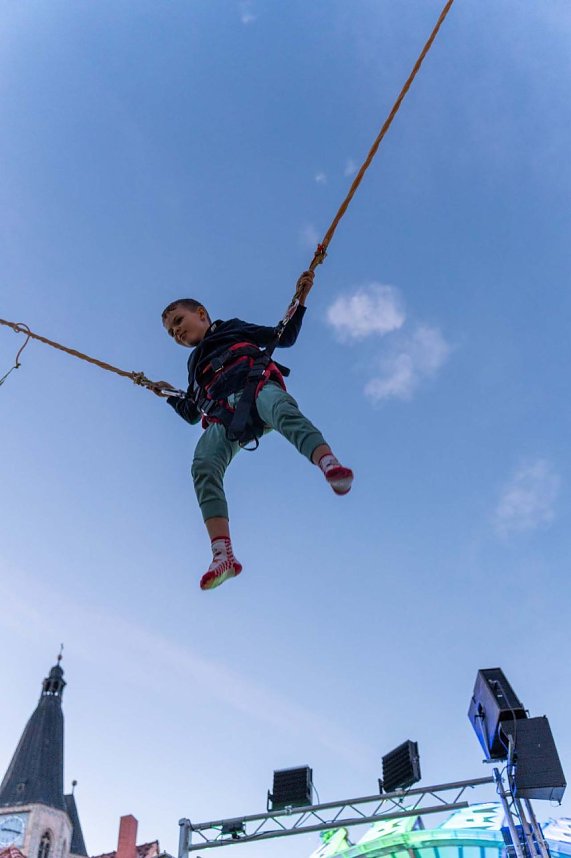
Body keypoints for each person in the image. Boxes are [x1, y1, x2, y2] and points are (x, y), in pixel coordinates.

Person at [157, 270, 353, 591]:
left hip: (254, 388)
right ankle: (223, 555)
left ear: (202, 314)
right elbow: (193, 411)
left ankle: (328, 464)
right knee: (203, 465)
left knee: (282, 411)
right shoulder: (193, 365)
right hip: (224, 417)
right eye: (171, 332)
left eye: (179, 321)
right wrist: (167, 395)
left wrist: (300, 299)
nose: (176, 332)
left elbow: (283, 336)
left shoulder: (231, 328)